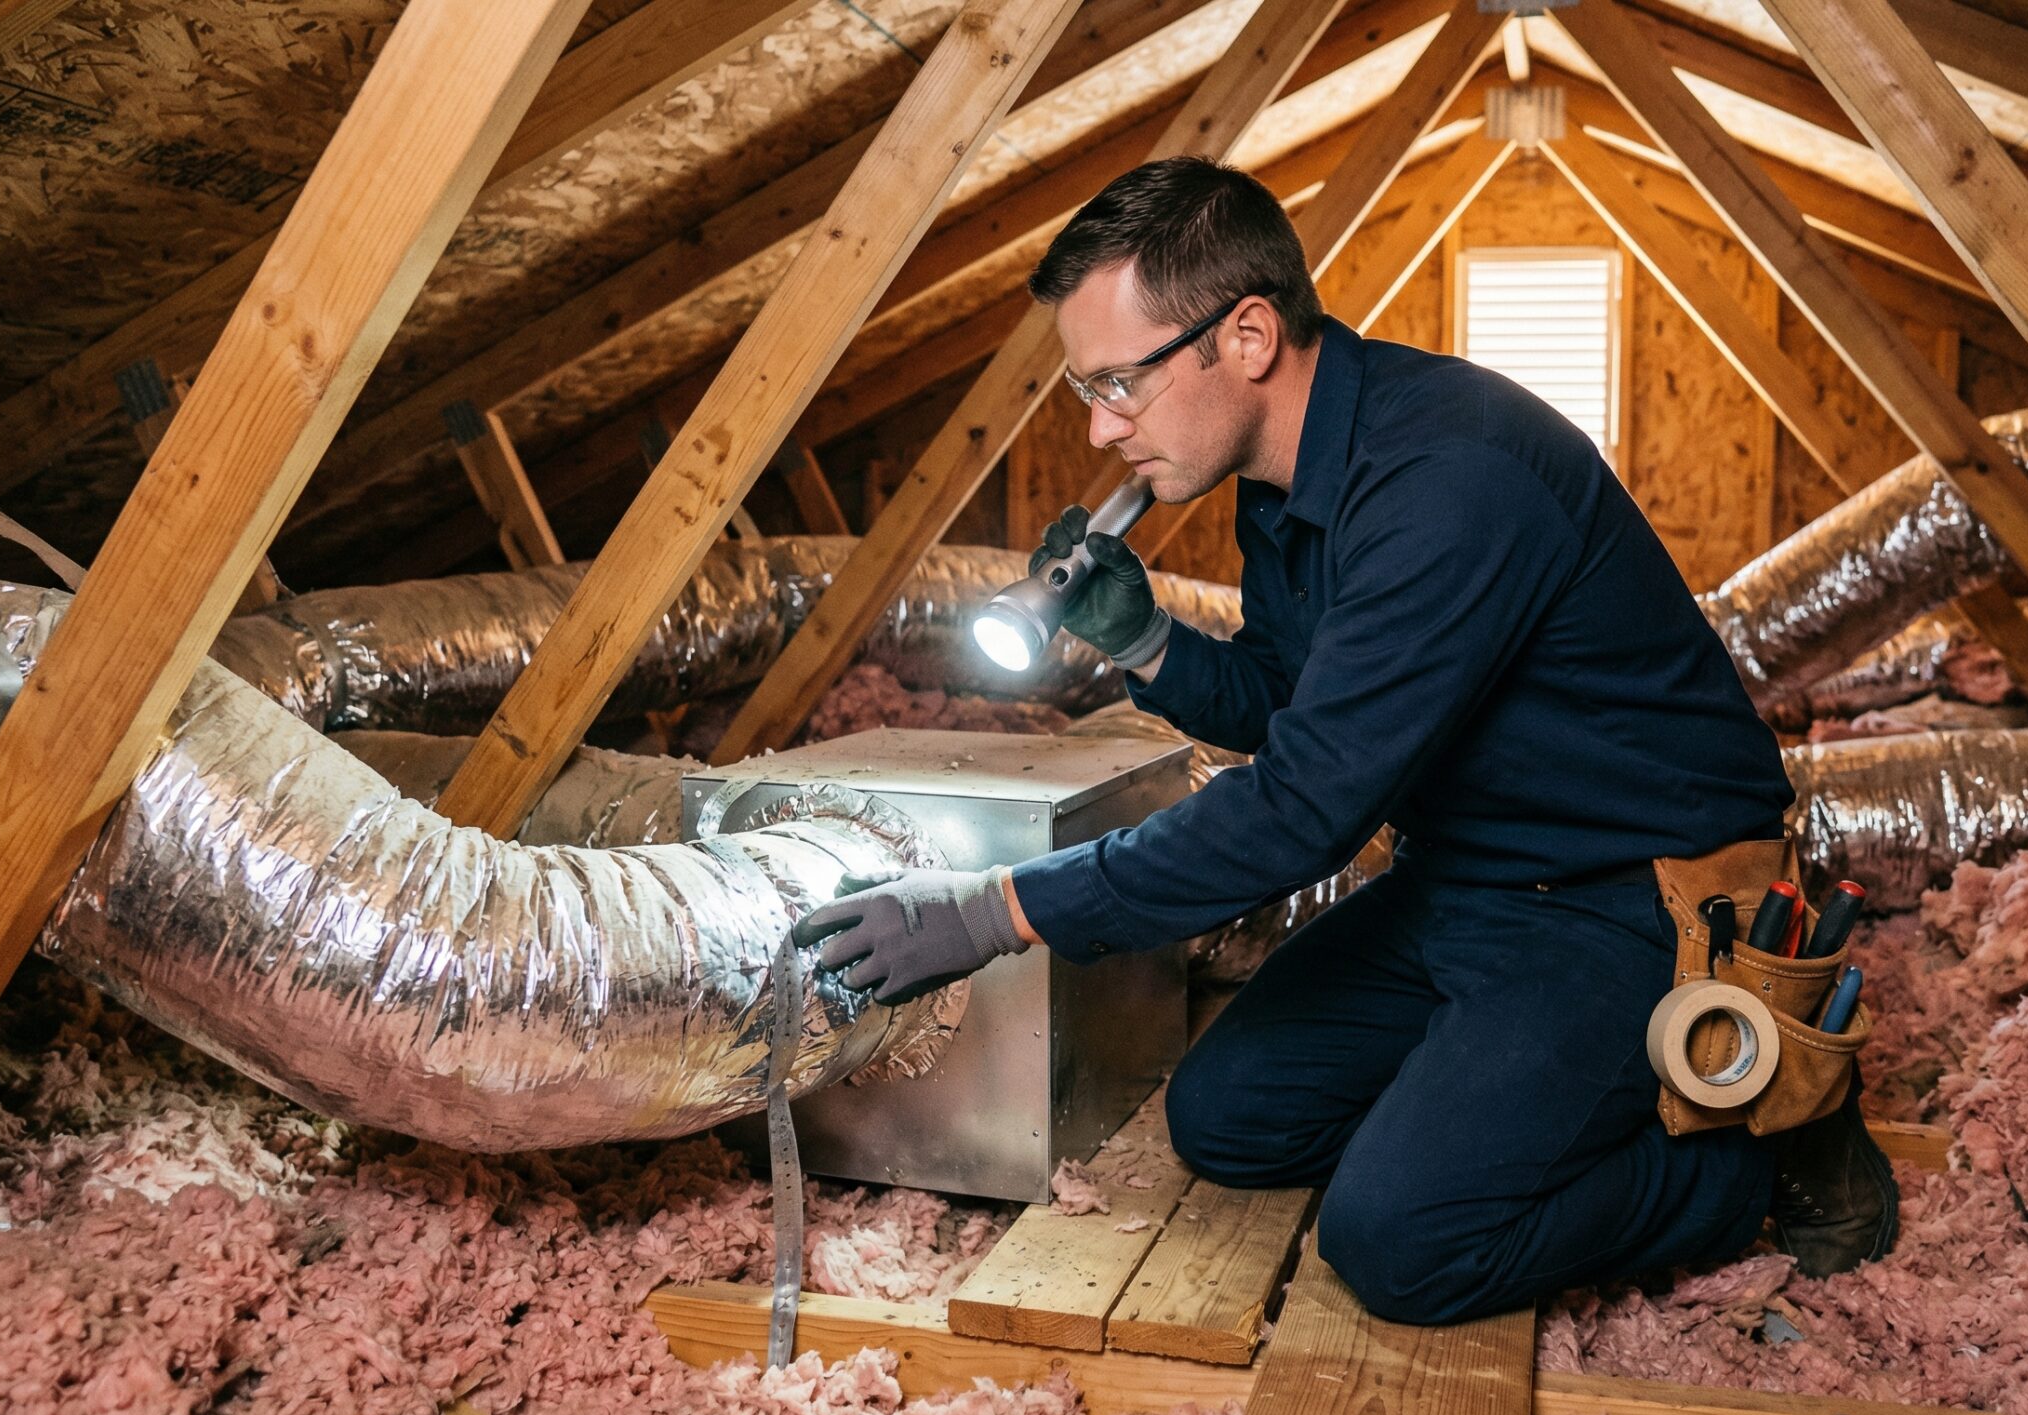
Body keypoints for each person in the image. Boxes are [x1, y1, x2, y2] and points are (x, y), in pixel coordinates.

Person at [791, 156, 1897, 1325]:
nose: (1103, 428)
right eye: (1085, 390)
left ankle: (1755, 1156)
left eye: (1119, 383)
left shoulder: (1444, 480)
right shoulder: (1280, 481)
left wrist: (991, 913)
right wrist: (1149, 641)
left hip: (1634, 898)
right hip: (1468, 875)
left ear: (1248, 335)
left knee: (1401, 1243)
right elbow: (1290, 699)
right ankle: (1491, 1096)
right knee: (1230, 1120)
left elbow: (1305, 808)